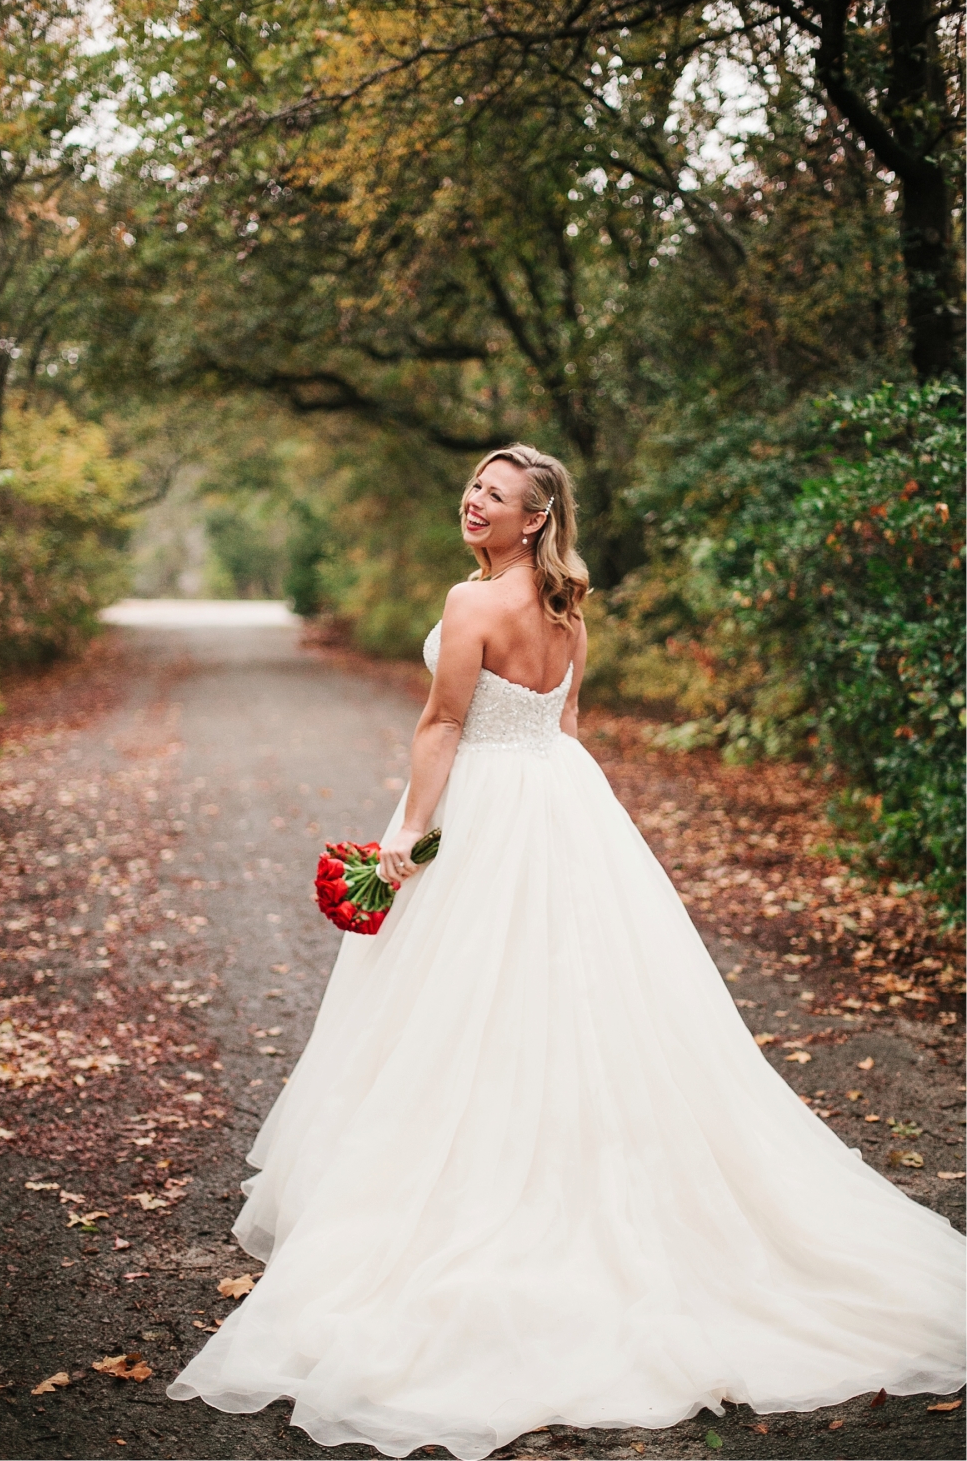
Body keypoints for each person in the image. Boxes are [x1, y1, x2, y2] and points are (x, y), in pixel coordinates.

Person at [168, 445, 966, 1460]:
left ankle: (467, 1196)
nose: (474, 501)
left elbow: (443, 721)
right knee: (585, 998)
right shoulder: (567, 609)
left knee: (462, 1005)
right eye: (471, 486)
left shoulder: (472, 604)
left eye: (495, 496)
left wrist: (404, 839)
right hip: (564, 800)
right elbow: (567, 723)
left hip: (490, 806)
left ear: (533, 520)